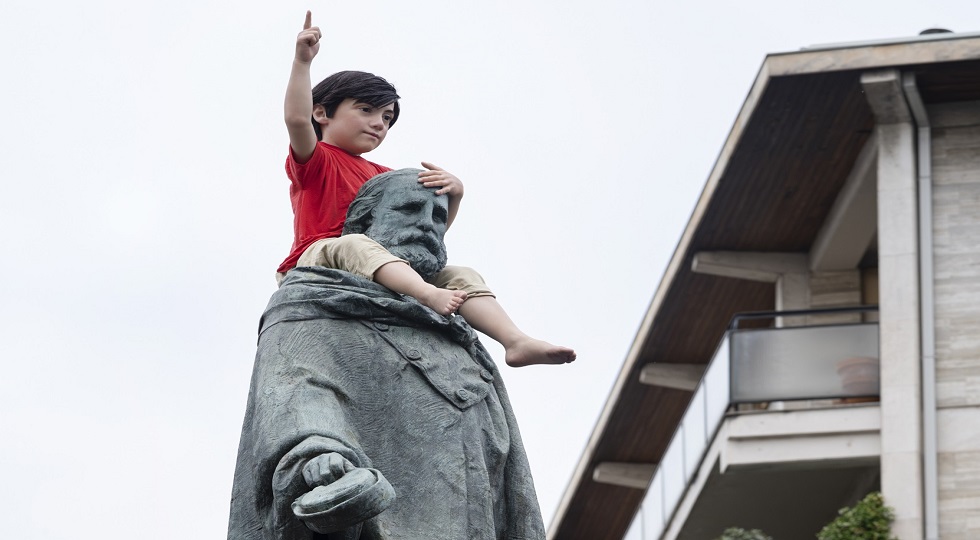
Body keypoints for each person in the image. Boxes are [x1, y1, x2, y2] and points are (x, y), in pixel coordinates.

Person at [228, 170, 547, 539]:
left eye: (438, 218)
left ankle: (516, 340)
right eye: (410, 209)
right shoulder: (315, 301)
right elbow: (299, 384)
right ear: (366, 220)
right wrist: (319, 453)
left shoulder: (454, 330)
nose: (427, 226)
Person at [279, 10, 574, 367]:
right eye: (367, 110)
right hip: (320, 256)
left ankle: (516, 340)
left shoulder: (386, 176)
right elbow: (297, 119)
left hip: (383, 262)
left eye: (387, 118)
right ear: (323, 114)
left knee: (459, 275)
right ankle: (428, 294)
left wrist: (457, 195)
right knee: (356, 244)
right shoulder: (318, 159)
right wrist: (302, 61)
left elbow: (423, 233)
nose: (379, 123)